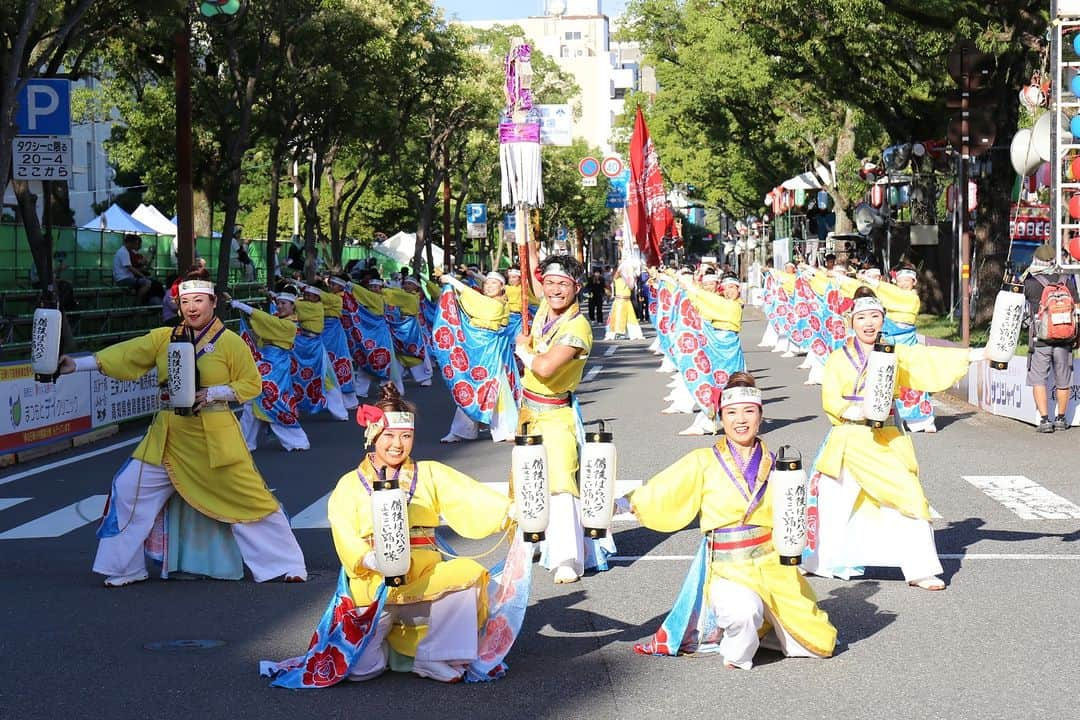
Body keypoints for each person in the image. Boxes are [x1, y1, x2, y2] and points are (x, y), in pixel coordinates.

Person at [56, 269, 307, 587]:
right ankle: (125, 567)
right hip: (167, 436)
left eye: (199, 300)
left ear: (213, 303)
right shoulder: (164, 338)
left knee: (250, 498)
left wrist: (214, 393)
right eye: (185, 301)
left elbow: (251, 383)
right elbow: (127, 354)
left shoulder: (230, 343)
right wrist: (78, 363)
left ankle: (286, 564)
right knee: (128, 489)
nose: (192, 307)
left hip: (212, 438)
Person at [262, 385, 524, 686]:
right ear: (373, 436)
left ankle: (433, 655)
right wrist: (370, 558)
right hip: (372, 586)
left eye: (406, 436)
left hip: (424, 576)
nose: (398, 444)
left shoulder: (430, 473)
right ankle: (382, 640)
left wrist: (509, 512)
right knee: (364, 671)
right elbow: (345, 532)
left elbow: (470, 498)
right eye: (389, 435)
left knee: (468, 575)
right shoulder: (350, 484)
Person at [616, 373, 836, 668]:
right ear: (721, 417)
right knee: (743, 612)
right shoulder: (702, 461)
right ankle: (737, 650)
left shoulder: (779, 466)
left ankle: (768, 629)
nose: (740, 420)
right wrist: (621, 503)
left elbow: (795, 516)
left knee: (820, 643)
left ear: (761, 416)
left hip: (772, 567)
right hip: (727, 568)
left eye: (749, 411)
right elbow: (663, 492)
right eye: (731, 413)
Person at [803, 287, 985, 591]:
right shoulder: (838, 358)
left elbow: (929, 359)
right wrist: (855, 409)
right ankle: (815, 560)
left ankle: (920, 568)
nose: (869, 323)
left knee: (909, 497)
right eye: (862, 317)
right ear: (852, 322)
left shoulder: (894, 354)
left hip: (883, 437)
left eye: (875, 316)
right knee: (830, 501)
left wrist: (978, 355)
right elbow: (831, 400)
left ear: (883, 319)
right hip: (848, 437)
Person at [515, 246, 612, 583]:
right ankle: (537, 541)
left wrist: (522, 349)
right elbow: (530, 272)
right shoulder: (545, 308)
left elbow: (543, 367)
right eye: (549, 283)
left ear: (576, 288)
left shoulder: (578, 326)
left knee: (560, 484)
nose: (554, 290)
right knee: (529, 480)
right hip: (529, 410)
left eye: (563, 284)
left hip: (556, 413)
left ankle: (568, 556)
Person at [436, 270, 517, 444]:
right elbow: (474, 300)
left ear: (502, 287)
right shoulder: (486, 301)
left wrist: (454, 282)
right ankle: (461, 430)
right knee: (470, 386)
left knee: (497, 387)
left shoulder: (498, 304)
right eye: (486, 283)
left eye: (493, 283)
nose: (488, 286)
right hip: (476, 347)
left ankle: (507, 428)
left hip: (492, 351)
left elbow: (476, 300)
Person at [229, 288, 310, 452]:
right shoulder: (278, 320)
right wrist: (243, 310)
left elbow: (266, 321)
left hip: (275, 365)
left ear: (293, 306)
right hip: (267, 362)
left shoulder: (290, 325)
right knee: (255, 401)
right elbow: (264, 323)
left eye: (284, 303)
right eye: (278, 303)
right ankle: (245, 442)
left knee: (271, 401)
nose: (280, 306)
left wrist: (243, 307)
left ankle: (297, 441)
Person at [1023, 243, 1079, 433]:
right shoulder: (1067, 280)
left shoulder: (1030, 282)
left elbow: (1025, 309)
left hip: (1041, 339)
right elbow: (1076, 308)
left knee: (1039, 378)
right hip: (1065, 338)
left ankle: (1045, 420)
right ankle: (1062, 419)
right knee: (1064, 379)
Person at [604, 261, 645, 341]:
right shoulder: (618, 275)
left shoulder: (629, 277)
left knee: (632, 319)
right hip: (620, 300)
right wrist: (623, 267)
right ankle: (613, 334)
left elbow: (632, 285)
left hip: (627, 300)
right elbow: (619, 273)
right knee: (616, 318)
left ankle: (635, 334)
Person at [113, 233, 152, 303]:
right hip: (123, 279)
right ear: (130, 243)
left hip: (126, 278)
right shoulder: (123, 252)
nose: (136, 245)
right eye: (136, 243)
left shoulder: (126, 251)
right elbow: (130, 268)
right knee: (147, 283)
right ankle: (137, 304)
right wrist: (142, 276)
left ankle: (138, 302)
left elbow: (140, 264)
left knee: (147, 282)